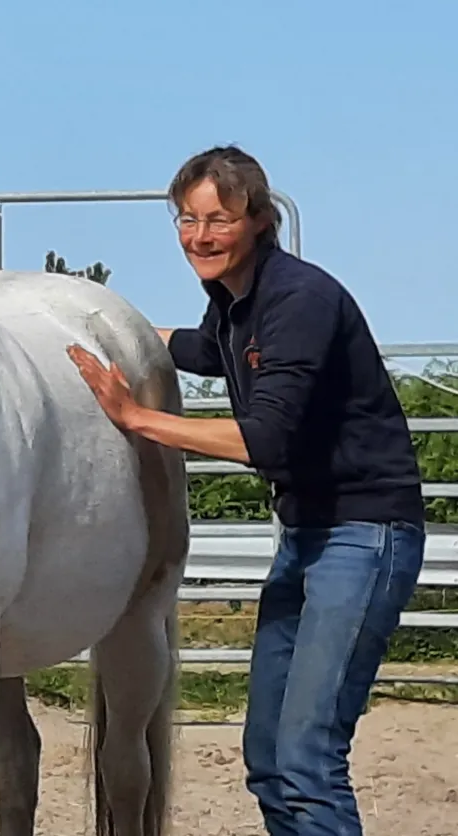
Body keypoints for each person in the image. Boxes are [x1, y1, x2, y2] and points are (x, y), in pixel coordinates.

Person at [67, 145, 426, 836]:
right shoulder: (235, 304)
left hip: (363, 533)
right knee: (268, 758)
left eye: (218, 219)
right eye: (186, 220)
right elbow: (203, 351)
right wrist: (118, 333)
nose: (199, 236)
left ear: (258, 221)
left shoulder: (299, 300)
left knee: (308, 761)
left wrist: (137, 416)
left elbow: (265, 440)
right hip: (310, 536)